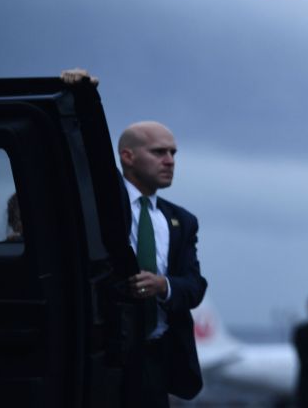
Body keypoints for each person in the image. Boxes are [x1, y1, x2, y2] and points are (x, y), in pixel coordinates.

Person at [118, 120, 207, 407]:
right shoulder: (100, 206)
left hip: (156, 360)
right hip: (106, 356)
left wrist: (163, 286)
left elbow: (194, 287)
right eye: (159, 152)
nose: (170, 161)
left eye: (173, 153)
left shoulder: (182, 221)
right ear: (127, 156)